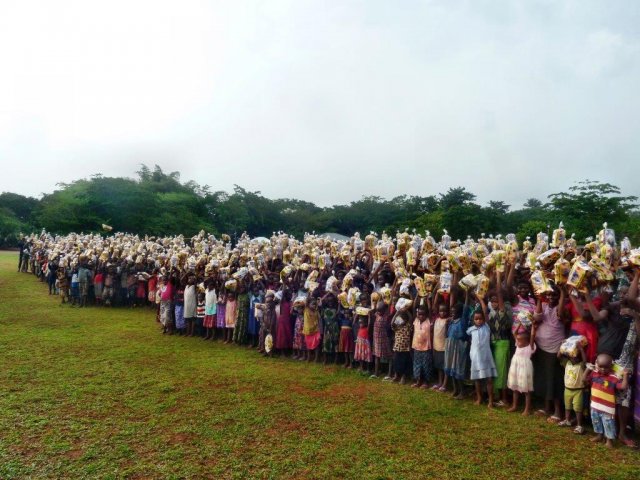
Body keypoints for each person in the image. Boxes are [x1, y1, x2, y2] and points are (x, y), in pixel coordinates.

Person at [532, 287, 567, 423]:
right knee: (545, 378)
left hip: (554, 349)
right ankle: (547, 408)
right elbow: (536, 317)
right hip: (541, 348)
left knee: (555, 380)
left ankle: (558, 412)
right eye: (549, 295)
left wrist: (562, 292)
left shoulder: (561, 307)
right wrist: (540, 299)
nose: (551, 297)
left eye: (554, 295)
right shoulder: (545, 305)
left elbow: (560, 314)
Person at [587, 353, 630, 448]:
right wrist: (588, 369)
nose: (603, 369)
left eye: (606, 367)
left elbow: (623, 387)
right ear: (597, 364)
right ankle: (599, 435)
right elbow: (583, 380)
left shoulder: (613, 378)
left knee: (608, 423)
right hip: (595, 405)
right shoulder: (594, 374)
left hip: (607, 408)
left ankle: (609, 440)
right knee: (596, 421)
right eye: (601, 366)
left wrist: (625, 375)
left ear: (611, 366)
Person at [467, 300, 497, 408]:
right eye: (476, 319)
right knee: (477, 380)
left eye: (480, 319)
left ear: (484, 319)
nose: (478, 321)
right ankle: (479, 398)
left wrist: (480, 299)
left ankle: (490, 400)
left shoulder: (486, 327)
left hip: (486, 357)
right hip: (475, 358)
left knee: (489, 380)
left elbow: (485, 311)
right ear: (473, 320)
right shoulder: (471, 330)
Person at [507, 320, 537, 415]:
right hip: (515, 367)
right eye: (517, 340)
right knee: (515, 387)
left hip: (524, 369)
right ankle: (514, 405)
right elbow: (514, 333)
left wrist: (532, 326)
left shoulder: (530, 347)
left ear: (527, 342)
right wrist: (520, 323)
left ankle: (527, 409)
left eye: (520, 340)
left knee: (526, 389)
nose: (518, 342)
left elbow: (532, 335)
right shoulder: (518, 345)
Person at [557, 342, 587, 434]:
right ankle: (567, 420)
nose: (574, 358)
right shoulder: (567, 363)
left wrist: (581, 349)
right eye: (572, 356)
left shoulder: (581, 365)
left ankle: (579, 425)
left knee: (578, 409)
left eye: (576, 357)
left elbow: (585, 362)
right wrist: (562, 346)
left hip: (578, 390)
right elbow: (558, 356)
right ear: (569, 356)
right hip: (567, 389)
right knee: (567, 406)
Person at [411, 303, 433, 388]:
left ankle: (426, 382)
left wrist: (428, 301)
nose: (421, 316)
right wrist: (417, 297)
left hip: (426, 348)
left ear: (426, 314)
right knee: (417, 365)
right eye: (419, 314)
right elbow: (413, 308)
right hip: (416, 347)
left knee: (426, 365)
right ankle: (418, 381)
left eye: (423, 314)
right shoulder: (416, 321)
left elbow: (430, 309)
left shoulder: (428, 321)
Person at [303, 296, 322, 362]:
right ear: (308, 304)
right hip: (307, 331)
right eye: (312, 304)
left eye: (315, 304)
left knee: (316, 345)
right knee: (308, 345)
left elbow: (319, 320)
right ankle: (309, 357)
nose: (314, 305)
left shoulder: (317, 312)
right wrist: (310, 293)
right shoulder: (306, 310)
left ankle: (316, 358)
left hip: (315, 330)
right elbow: (306, 301)